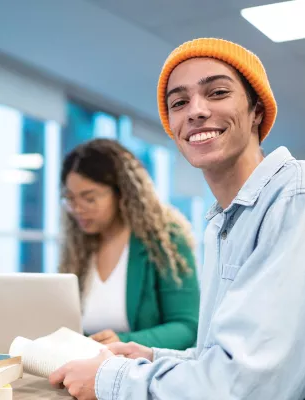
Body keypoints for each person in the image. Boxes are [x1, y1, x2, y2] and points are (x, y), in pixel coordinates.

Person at [50, 38, 305, 399]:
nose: (196, 111)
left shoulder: (298, 196)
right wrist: (153, 356)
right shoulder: (224, 223)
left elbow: (248, 386)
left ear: (256, 110)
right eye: (179, 102)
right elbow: (221, 359)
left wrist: (111, 379)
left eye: (217, 92)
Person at [59, 138, 200, 350]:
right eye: (71, 199)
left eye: (89, 198)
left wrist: (123, 342)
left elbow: (187, 327)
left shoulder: (166, 239)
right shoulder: (79, 247)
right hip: (87, 371)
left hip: (145, 375)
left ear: (121, 193)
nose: (78, 209)